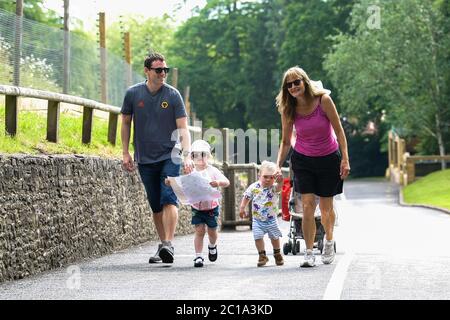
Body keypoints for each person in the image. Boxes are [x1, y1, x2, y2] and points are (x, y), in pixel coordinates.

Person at [121, 52, 193, 264]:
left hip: (170, 156)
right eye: (159, 70)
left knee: (168, 197)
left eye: (165, 70)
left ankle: (169, 243)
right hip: (144, 158)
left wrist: (187, 155)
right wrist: (125, 152)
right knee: (155, 204)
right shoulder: (133, 94)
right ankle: (163, 246)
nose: (163, 74)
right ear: (147, 71)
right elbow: (125, 123)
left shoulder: (173, 95)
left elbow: (183, 128)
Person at [275, 66, 350, 268]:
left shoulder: (323, 100)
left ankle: (328, 240)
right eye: (288, 84)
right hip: (303, 160)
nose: (293, 87)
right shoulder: (288, 108)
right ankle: (308, 253)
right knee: (307, 205)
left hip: (328, 159)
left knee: (326, 208)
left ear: (305, 82)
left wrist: (345, 159)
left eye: (296, 82)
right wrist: (277, 165)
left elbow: (340, 131)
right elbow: (285, 142)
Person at [166, 140, 230, 267]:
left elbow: (226, 181)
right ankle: (198, 256)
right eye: (196, 155)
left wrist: (217, 183)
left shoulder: (213, 171)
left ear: (208, 156)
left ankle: (212, 246)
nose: (200, 158)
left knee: (212, 230)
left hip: (211, 206)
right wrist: (171, 183)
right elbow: (182, 184)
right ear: (191, 157)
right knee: (199, 230)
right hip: (197, 207)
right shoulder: (191, 171)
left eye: (203, 155)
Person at [239, 161, 284, 267]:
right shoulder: (254, 187)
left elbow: (279, 187)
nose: (268, 180)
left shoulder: (274, 187)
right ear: (259, 175)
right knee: (257, 237)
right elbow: (246, 197)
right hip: (257, 219)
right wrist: (242, 208)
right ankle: (262, 255)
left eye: (271, 177)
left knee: (275, 237)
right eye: (265, 177)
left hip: (271, 219)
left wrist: (280, 181)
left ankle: (277, 253)